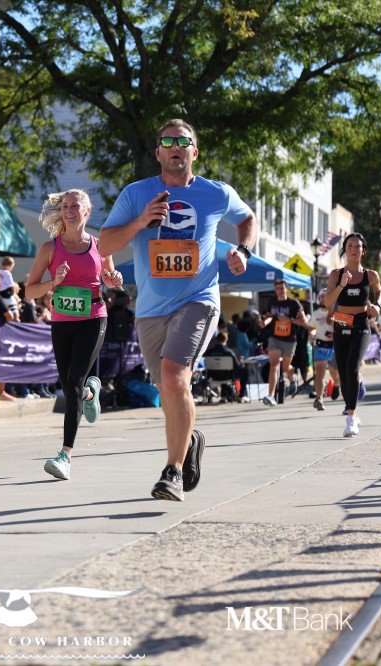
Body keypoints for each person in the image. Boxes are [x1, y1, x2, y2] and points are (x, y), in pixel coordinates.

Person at [99, 119, 257, 501]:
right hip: (150, 309)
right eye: (167, 142)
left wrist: (243, 251)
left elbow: (247, 218)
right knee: (170, 390)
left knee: (174, 375)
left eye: (183, 141)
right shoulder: (136, 194)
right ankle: (190, 440)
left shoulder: (216, 193)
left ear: (194, 152)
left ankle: (172, 472)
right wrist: (141, 221)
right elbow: (104, 245)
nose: (175, 147)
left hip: (198, 300)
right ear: (158, 153)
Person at [25, 189, 123, 481]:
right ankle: (91, 393)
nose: (69, 210)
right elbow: (29, 292)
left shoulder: (100, 246)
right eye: (65, 206)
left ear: (87, 212)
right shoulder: (50, 248)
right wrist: (53, 283)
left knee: (73, 382)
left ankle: (65, 455)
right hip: (62, 321)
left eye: (75, 206)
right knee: (72, 387)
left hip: (93, 317)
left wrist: (114, 279)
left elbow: (109, 277)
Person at [323, 232, 381, 437]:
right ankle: (353, 413)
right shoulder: (336, 275)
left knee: (352, 368)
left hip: (361, 325)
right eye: (350, 246)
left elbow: (379, 291)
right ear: (345, 250)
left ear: (363, 251)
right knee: (343, 373)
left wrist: (377, 305)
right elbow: (328, 303)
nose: (353, 249)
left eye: (358, 246)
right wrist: (342, 285)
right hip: (341, 326)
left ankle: (350, 417)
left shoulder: (370, 275)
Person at [260, 278, 308, 406]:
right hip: (274, 338)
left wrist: (289, 320)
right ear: (275, 290)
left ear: (287, 289)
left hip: (289, 339)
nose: (280, 291)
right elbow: (269, 316)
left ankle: (293, 378)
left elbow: (304, 321)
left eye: (282, 288)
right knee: (274, 366)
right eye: (278, 288)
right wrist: (264, 322)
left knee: (286, 368)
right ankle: (271, 396)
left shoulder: (294, 303)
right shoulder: (272, 301)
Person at [307, 288, 340, 410]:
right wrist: (312, 334)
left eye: (325, 296)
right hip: (321, 345)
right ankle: (319, 398)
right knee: (319, 372)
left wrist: (336, 334)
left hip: (335, 345)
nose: (323, 299)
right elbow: (311, 328)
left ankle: (336, 384)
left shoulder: (337, 312)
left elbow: (345, 328)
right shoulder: (316, 314)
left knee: (334, 372)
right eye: (321, 297)